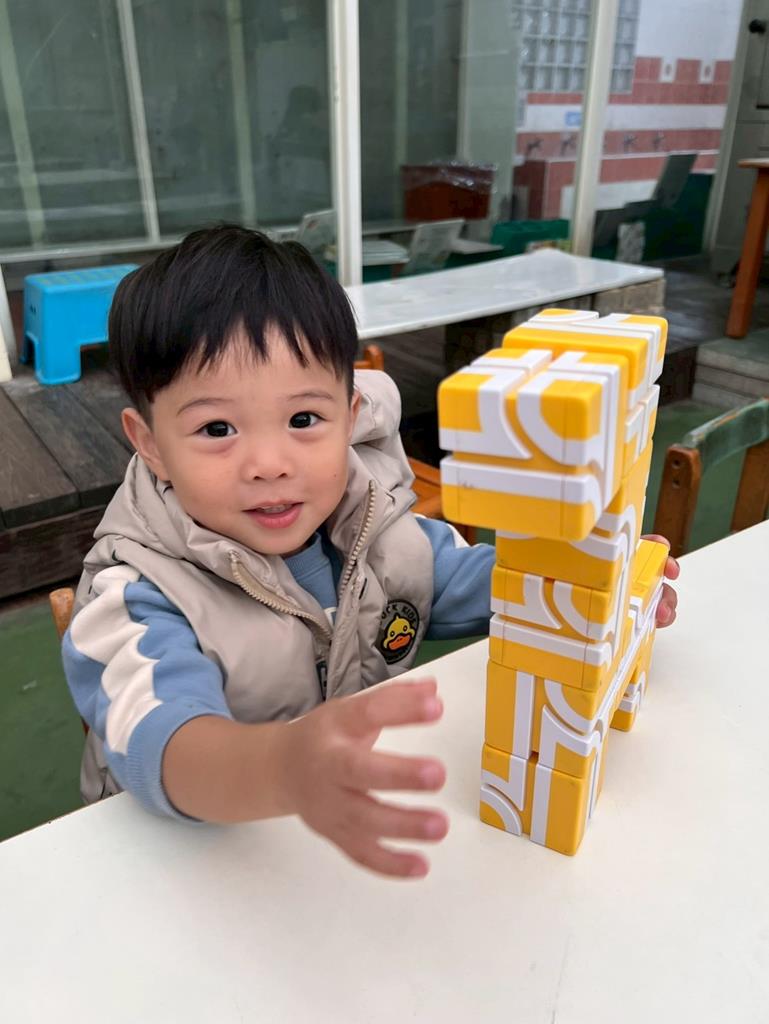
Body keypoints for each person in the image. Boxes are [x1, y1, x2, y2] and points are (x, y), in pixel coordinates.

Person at [62, 225, 679, 879]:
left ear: (350, 415)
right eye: (217, 428)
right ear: (150, 442)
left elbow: (475, 580)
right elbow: (165, 742)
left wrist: (592, 579)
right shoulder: (137, 594)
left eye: (304, 420)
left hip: (340, 859)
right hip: (185, 875)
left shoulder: (378, 525)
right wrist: (281, 768)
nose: (269, 463)